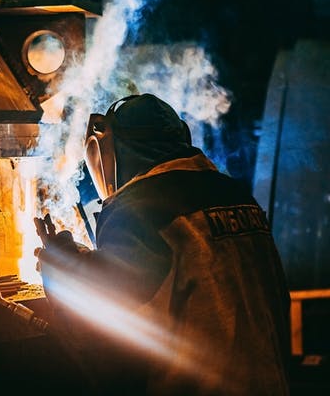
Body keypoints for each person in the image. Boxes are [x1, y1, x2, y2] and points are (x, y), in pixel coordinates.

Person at [35, 93, 291, 395]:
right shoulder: (237, 195)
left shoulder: (139, 208)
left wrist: (60, 261)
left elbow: (105, 318)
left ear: (109, 148)